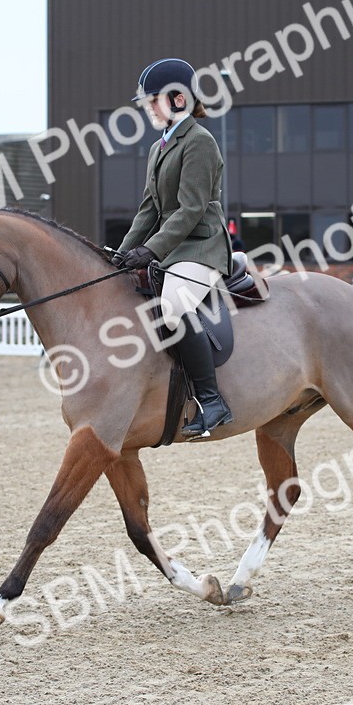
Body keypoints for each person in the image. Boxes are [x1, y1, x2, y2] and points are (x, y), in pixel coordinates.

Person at [113, 58, 233, 437]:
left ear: (178, 99)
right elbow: (149, 209)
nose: (148, 108)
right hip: (173, 246)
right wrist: (120, 254)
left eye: (153, 101)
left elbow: (192, 208)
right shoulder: (158, 147)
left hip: (201, 245)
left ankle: (212, 402)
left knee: (174, 305)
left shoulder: (200, 141)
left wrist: (150, 250)